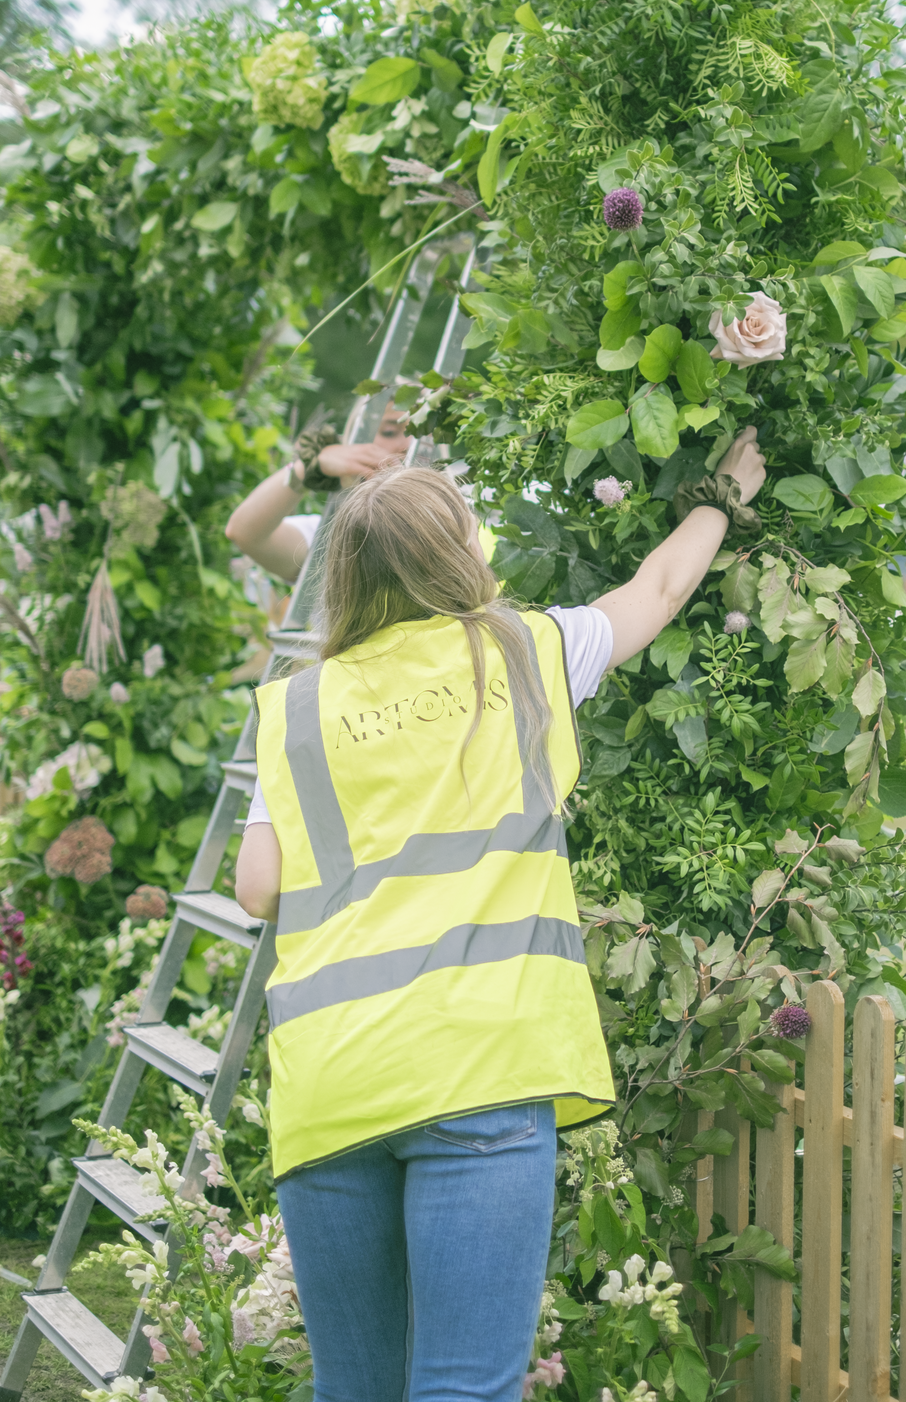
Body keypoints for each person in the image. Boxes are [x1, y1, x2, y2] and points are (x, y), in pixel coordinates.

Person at [235, 427, 766, 1402]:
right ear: (457, 554)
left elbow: (257, 885)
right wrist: (722, 497)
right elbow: (656, 593)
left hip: (334, 1079)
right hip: (481, 1068)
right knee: (465, 1389)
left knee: (354, 1390)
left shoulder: (295, 707)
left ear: (344, 578)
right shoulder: (524, 656)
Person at [224, 400, 415, 582]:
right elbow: (244, 533)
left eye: (420, 434)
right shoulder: (330, 538)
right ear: (356, 440)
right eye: (390, 432)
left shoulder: (444, 531)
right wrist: (310, 466)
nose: (408, 446)